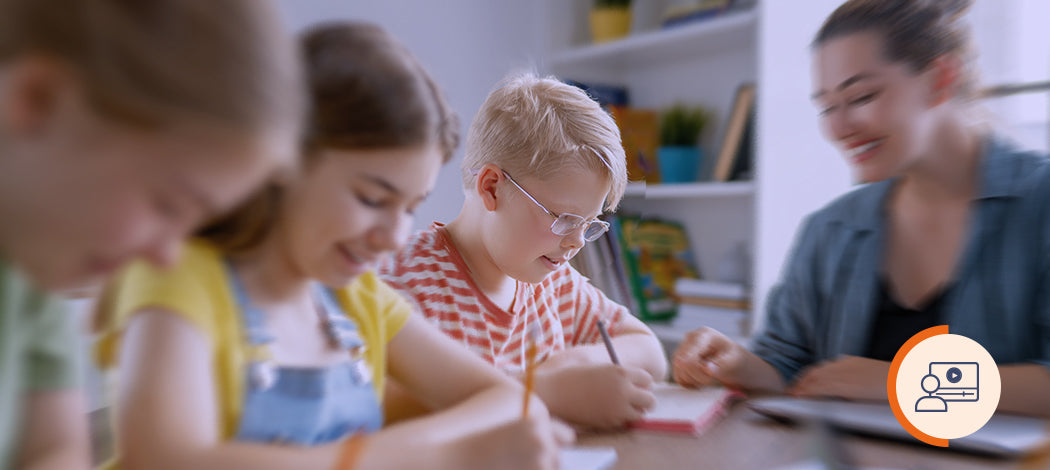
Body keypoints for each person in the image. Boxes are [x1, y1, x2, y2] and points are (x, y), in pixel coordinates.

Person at [93, 22, 571, 470]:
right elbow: (169, 461)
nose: (396, 236)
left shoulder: (356, 298)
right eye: (371, 198)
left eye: (409, 207)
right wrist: (440, 456)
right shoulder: (177, 276)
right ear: (282, 160)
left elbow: (507, 399)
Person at [672, 0, 1050, 418]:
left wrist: (902, 382)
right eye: (827, 107)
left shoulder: (1039, 201)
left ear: (941, 78)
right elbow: (791, 370)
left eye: (862, 96)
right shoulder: (830, 228)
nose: (838, 128)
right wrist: (735, 363)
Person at [0, 1, 302, 468]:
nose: (166, 256)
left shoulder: (34, 261)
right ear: (37, 99)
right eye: (168, 206)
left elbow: (52, 448)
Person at [379, 73, 667, 429]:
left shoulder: (554, 282)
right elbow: (381, 408)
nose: (577, 241)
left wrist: (570, 365)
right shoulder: (406, 282)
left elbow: (650, 352)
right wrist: (541, 389)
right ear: (492, 188)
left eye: (589, 223)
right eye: (564, 218)